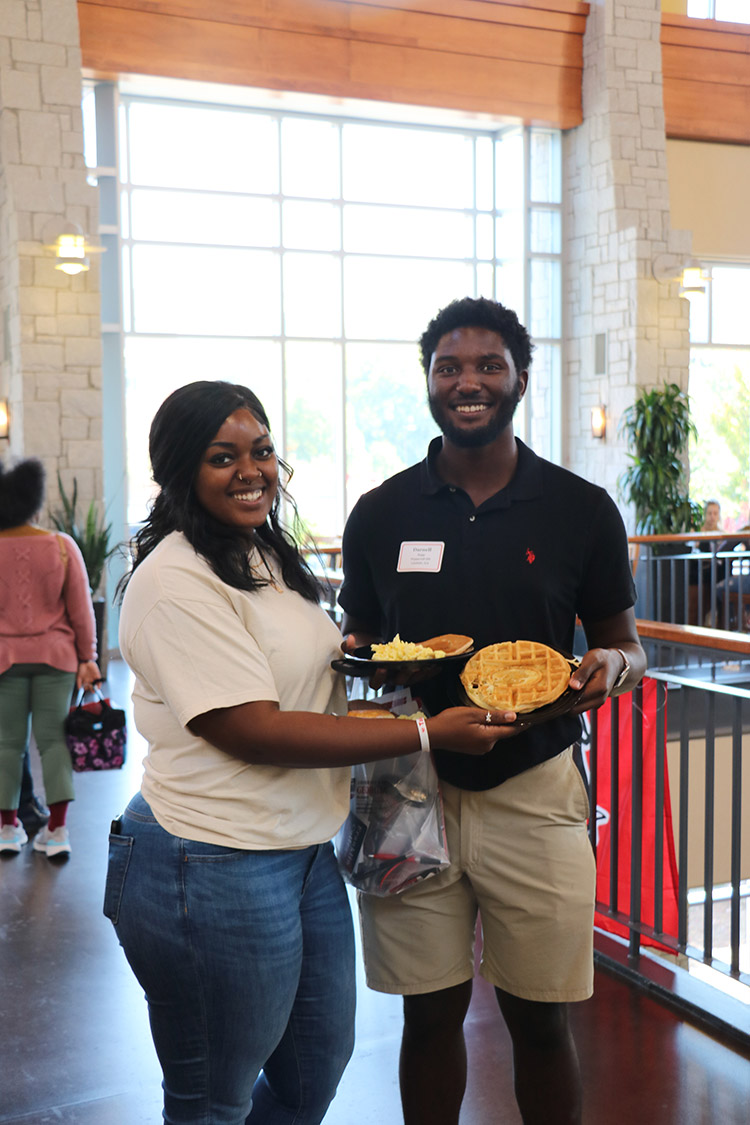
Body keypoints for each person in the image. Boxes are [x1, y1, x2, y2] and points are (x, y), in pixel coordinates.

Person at [107, 380, 505, 1125]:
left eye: (261, 450)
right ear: (179, 469)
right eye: (223, 456)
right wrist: (429, 730)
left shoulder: (258, 553)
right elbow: (254, 729)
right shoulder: (173, 578)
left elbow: (292, 671)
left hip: (298, 850)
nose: (250, 469)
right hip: (208, 860)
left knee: (314, 1068)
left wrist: (362, 659)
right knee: (213, 1095)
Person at [338, 296, 647, 1125]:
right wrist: (357, 655)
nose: (467, 381)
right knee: (428, 1014)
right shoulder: (381, 511)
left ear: (518, 377)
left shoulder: (581, 509)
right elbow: (359, 634)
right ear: (429, 380)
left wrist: (613, 664)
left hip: (537, 787)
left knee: (541, 1019)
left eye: (487, 365)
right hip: (414, 788)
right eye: (449, 367)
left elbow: (627, 643)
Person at [0, 457, 100, 858]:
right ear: (34, 503)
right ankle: (57, 833)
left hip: (4, 660)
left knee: (7, 745)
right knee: (54, 742)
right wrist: (88, 657)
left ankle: (7, 829)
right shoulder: (62, 546)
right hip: (57, 660)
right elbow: (82, 609)